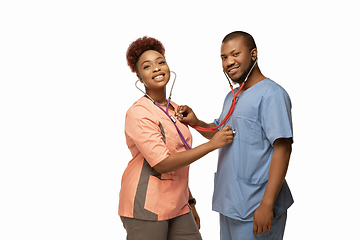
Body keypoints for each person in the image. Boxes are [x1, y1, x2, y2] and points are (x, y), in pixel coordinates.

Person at [177, 31, 294, 240]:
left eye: (235, 54)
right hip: (231, 204)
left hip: (257, 206)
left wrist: (267, 205)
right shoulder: (233, 96)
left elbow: (283, 149)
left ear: (253, 54)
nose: (229, 62)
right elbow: (219, 131)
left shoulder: (272, 94)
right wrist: (195, 123)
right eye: (223, 57)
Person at [118, 36, 234, 240]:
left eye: (160, 62)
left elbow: (179, 157)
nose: (156, 68)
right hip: (147, 205)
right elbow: (163, 163)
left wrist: (190, 203)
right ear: (139, 76)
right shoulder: (138, 113)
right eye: (147, 66)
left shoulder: (175, 109)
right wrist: (211, 146)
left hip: (178, 205)